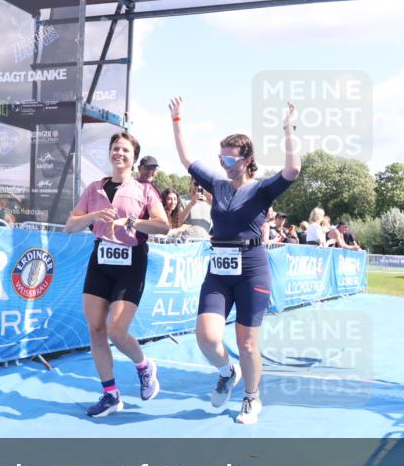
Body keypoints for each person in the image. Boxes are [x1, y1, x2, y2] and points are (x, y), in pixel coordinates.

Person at [170, 95, 300, 424]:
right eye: (221, 158)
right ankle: (228, 373)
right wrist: (178, 121)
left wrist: (288, 128)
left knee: (246, 342)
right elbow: (187, 160)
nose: (224, 164)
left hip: (252, 269)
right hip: (219, 266)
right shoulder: (217, 183)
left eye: (230, 159)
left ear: (247, 160)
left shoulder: (262, 189)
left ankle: (252, 398)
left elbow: (293, 168)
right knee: (207, 337)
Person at [65, 132, 170, 417]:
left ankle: (144, 366)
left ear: (134, 158)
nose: (119, 153)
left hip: (132, 260)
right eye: (115, 148)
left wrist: (134, 221)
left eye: (125, 149)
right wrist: (92, 217)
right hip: (100, 259)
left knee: (116, 329)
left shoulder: (146, 190)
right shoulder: (94, 189)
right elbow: (70, 226)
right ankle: (110, 395)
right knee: (96, 328)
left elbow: (163, 226)